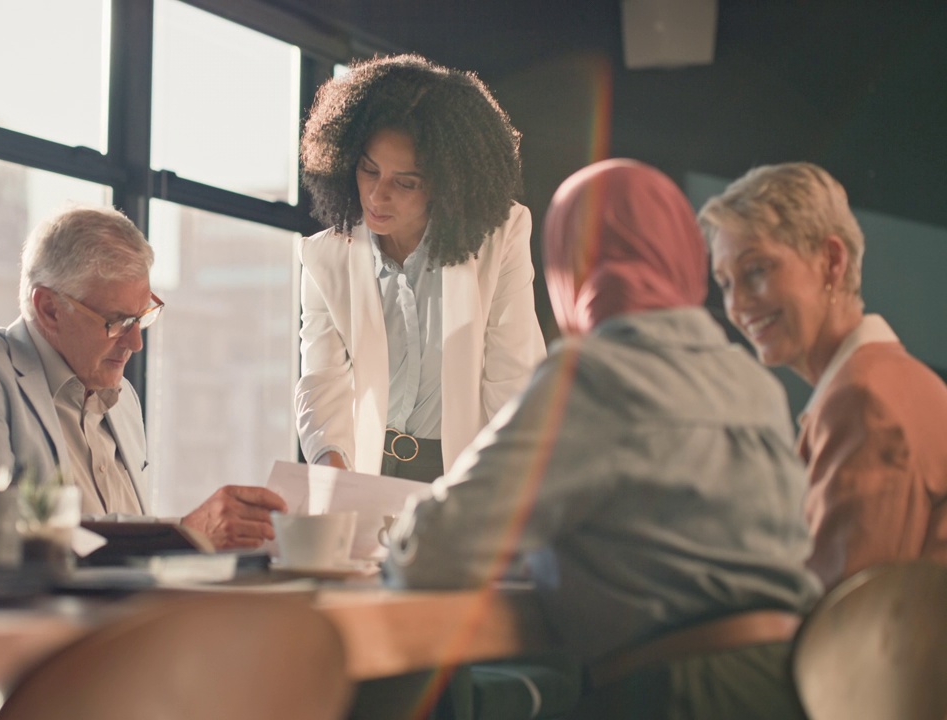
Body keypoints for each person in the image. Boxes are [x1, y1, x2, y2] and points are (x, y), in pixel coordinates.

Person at [386, 160, 821, 719]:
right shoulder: (752, 381)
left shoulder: (591, 374)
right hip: (793, 683)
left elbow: (436, 552)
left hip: (676, 694)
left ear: (570, 264)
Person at [0, 206, 286, 550]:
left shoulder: (123, 400)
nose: (136, 342)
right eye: (118, 322)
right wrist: (185, 535)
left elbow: (126, 550)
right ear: (49, 308)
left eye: (141, 318)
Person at [296, 54, 546, 482]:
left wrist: (502, 497)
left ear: (447, 184)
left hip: (467, 472)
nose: (377, 195)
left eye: (405, 182)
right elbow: (322, 383)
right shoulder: (325, 257)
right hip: (366, 467)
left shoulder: (499, 239)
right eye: (368, 170)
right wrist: (333, 474)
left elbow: (515, 380)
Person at [702, 162, 947, 590]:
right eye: (725, 283)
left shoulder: (864, 399)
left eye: (757, 270)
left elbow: (838, 616)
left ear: (832, 262)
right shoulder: (886, 381)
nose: (737, 305)